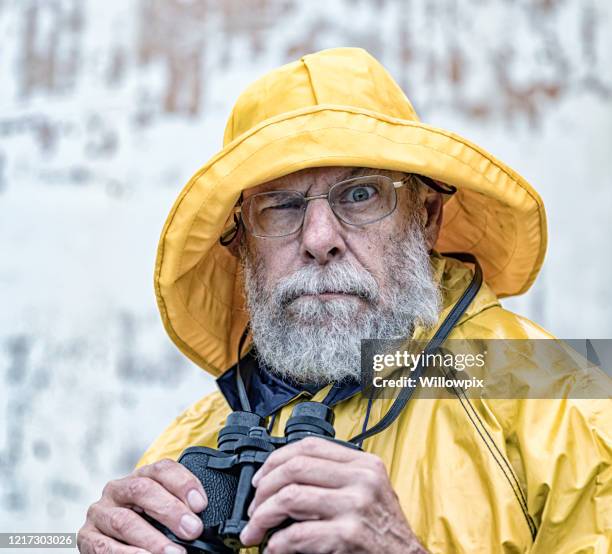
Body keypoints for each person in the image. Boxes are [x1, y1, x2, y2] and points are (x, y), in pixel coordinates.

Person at [77, 48, 611, 553]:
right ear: (241, 246)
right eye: (281, 207)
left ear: (426, 218)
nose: (318, 239)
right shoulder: (190, 446)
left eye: (360, 194)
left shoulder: (567, 400)